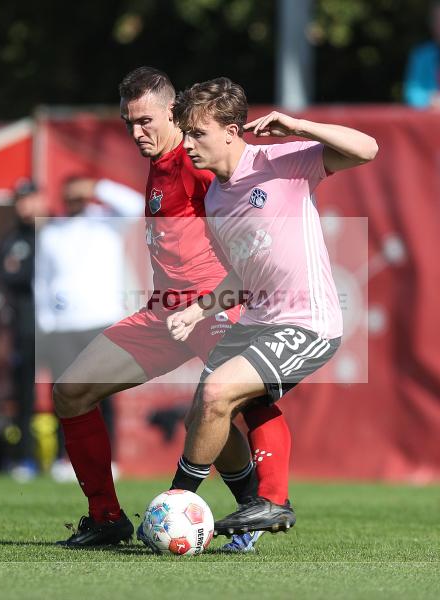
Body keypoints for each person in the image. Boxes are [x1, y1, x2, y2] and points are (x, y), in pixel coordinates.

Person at [53, 67, 293, 552]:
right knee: (70, 391)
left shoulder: (197, 159)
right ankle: (107, 519)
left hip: (214, 309)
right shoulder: (160, 160)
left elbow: (250, 216)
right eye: (128, 123)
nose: (137, 132)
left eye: (146, 121)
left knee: (229, 403)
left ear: (172, 111)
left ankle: (262, 505)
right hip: (163, 313)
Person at [166, 77, 377, 536]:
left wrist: (299, 125)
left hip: (307, 321)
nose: (188, 144)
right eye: (184, 133)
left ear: (230, 130)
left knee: (219, 392)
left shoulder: (282, 160)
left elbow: (368, 149)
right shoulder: (217, 199)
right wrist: (198, 310)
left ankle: (175, 503)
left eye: (197, 133)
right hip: (258, 319)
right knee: (203, 414)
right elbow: (242, 277)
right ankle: (256, 513)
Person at [35, 175, 145, 483]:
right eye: (68, 194)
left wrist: (98, 187)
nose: (73, 199)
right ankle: (64, 458)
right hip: (62, 327)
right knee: (64, 394)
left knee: (101, 394)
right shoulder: (52, 231)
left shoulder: (107, 221)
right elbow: (42, 280)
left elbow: (135, 205)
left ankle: (107, 459)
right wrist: (45, 321)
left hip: (99, 321)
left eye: (78, 193)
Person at [0, 179, 45, 478]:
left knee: (68, 390)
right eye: (20, 199)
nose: (24, 205)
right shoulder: (13, 238)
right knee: (23, 395)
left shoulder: (55, 232)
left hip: (58, 326)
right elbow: (9, 275)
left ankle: (66, 460)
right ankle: (24, 459)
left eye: (29, 198)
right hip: (25, 326)